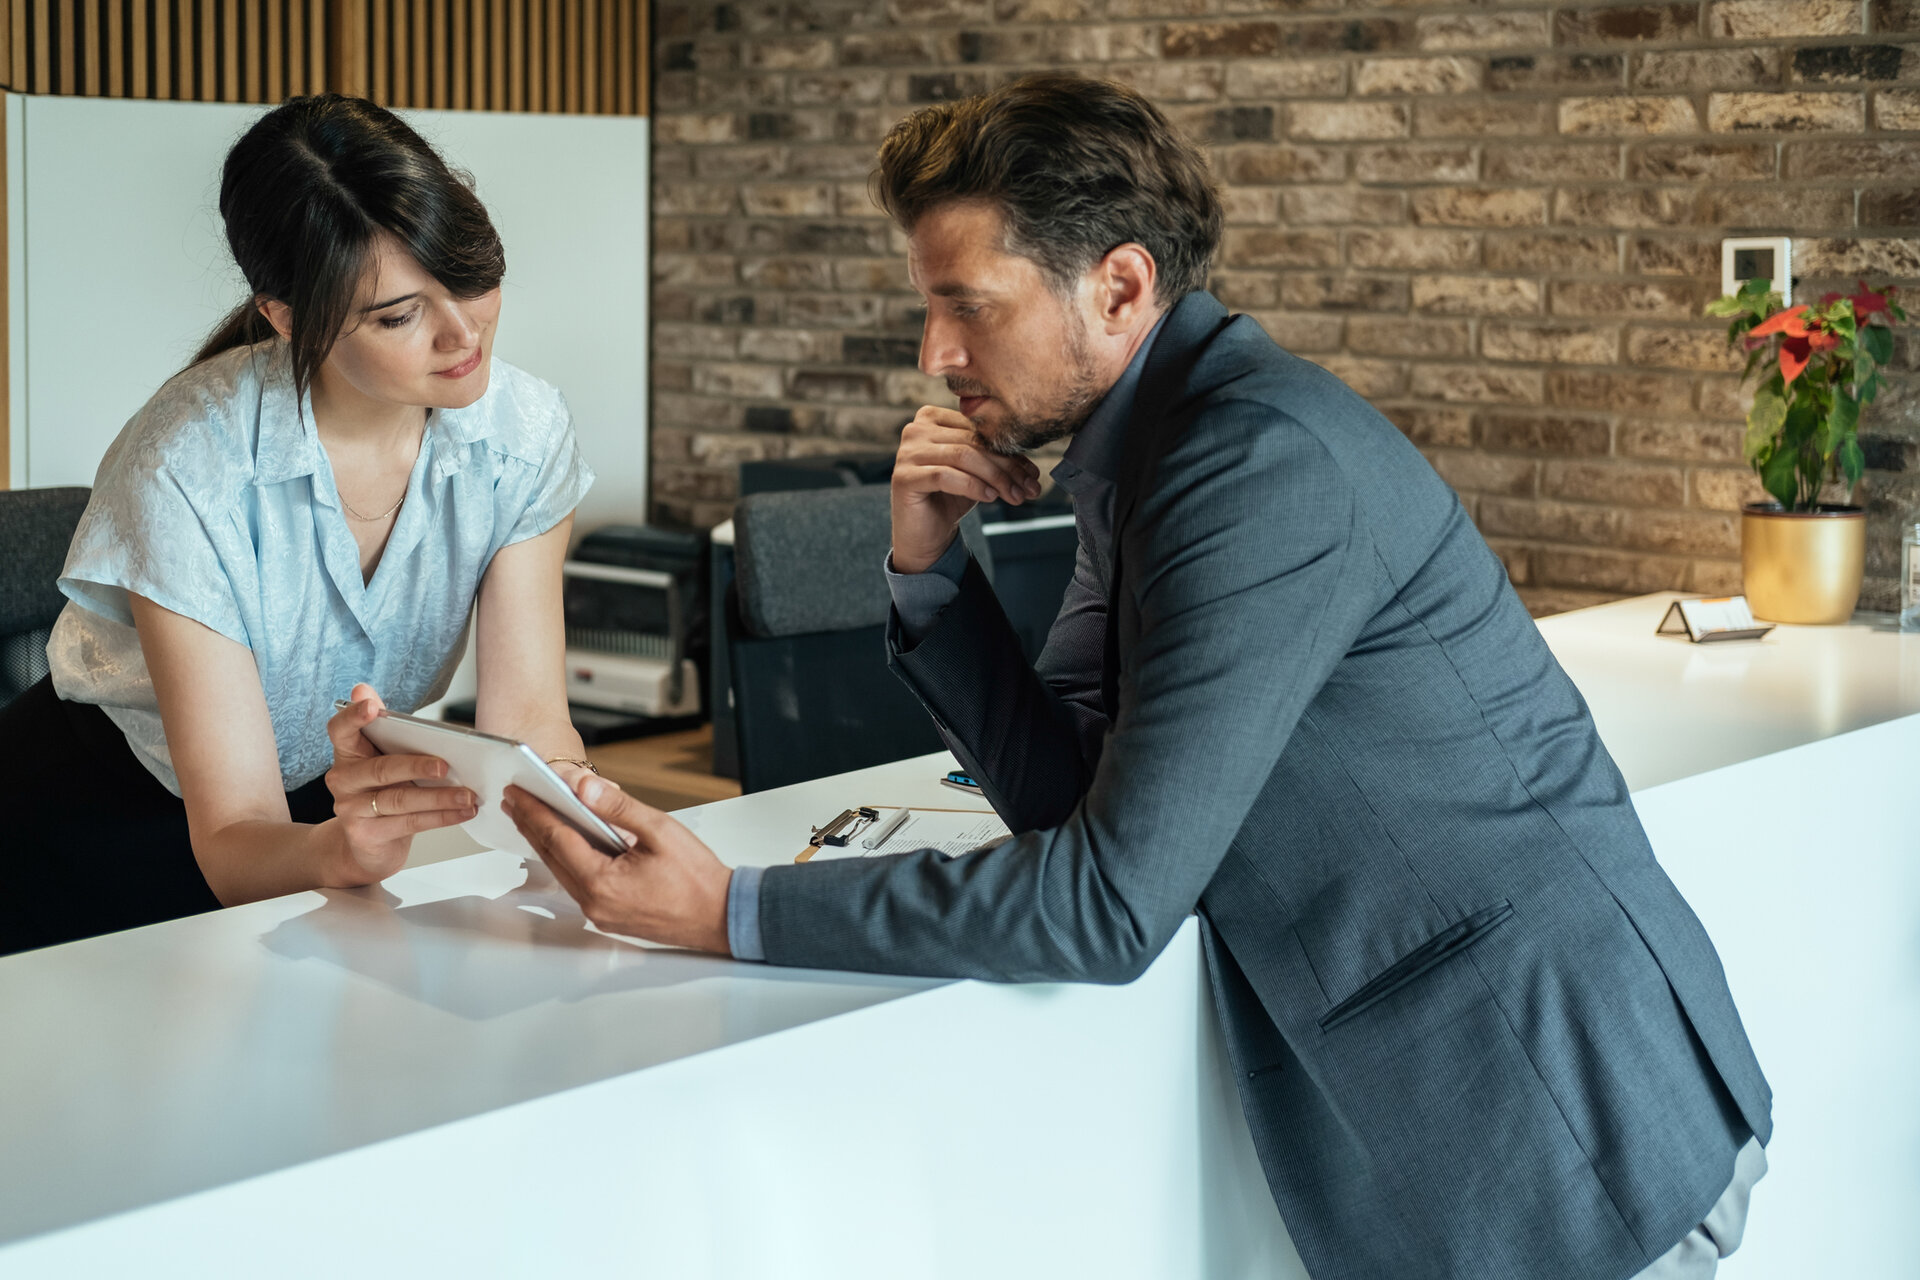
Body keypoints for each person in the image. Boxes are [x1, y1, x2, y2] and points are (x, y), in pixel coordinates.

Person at [504, 76, 1769, 1278]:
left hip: (1560, 1119)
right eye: (926, 307)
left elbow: (1106, 905)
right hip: (1492, 1117)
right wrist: (931, 575)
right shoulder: (1153, 450)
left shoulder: (1253, 468)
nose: (936, 352)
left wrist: (735, 908)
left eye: (970, 303)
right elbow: (1076, 810)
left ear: (1119, 285)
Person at [0, 95, 593, 956]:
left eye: (468, 274)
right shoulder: (189, 461)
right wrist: (333, 849)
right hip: (87, 822)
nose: (464, 332)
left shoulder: (523, 435)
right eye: (398, 316)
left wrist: (575, 811)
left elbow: (532, 719)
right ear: (285, 315)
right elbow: (237, 834)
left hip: (317, 804)